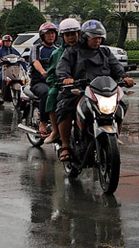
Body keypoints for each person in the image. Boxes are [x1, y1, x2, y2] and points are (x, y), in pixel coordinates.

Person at [56, 20, 133, 161]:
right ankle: (65, 146)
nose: (97, 41)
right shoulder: (72, 52)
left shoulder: (105, 52)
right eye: (94, 38)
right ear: (85, 37)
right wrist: (66, 78)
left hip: (104, 91)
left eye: (100, 38)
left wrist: (124, 77)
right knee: (65, 108)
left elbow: (115, 66)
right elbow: (62, 68)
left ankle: (115, 136)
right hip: (79, 90)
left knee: (122, 103)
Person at [44, 18, 81, 145]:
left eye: (73, 34)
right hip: (62, 86)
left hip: (83, 85)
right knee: (52, 96)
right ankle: (55, 131)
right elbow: (51, 75)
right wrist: (60, 82)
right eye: (67, 35)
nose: (71, 38)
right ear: (62, 37)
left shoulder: (85, 50)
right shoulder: (57, 53)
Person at [29, 22, 59, 137]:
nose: (51, 36)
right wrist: (43, 72)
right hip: (39, 82)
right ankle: (43, 122)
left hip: (56, 82)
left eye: (53, 33)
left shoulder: (57, 49)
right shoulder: (36, 48)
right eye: (48, 34)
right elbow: (35, 62)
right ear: (42, 36)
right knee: (46, 93)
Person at [0, 34, 25, 99]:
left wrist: (21, 58)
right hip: (3, 67)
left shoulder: (13, 50)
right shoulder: (0, 50)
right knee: (1, 76)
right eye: (6, 41)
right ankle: (1, 89)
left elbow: (19, 56)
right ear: (3, 42)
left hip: (13, 67)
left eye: (9, 41)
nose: (8, 43)